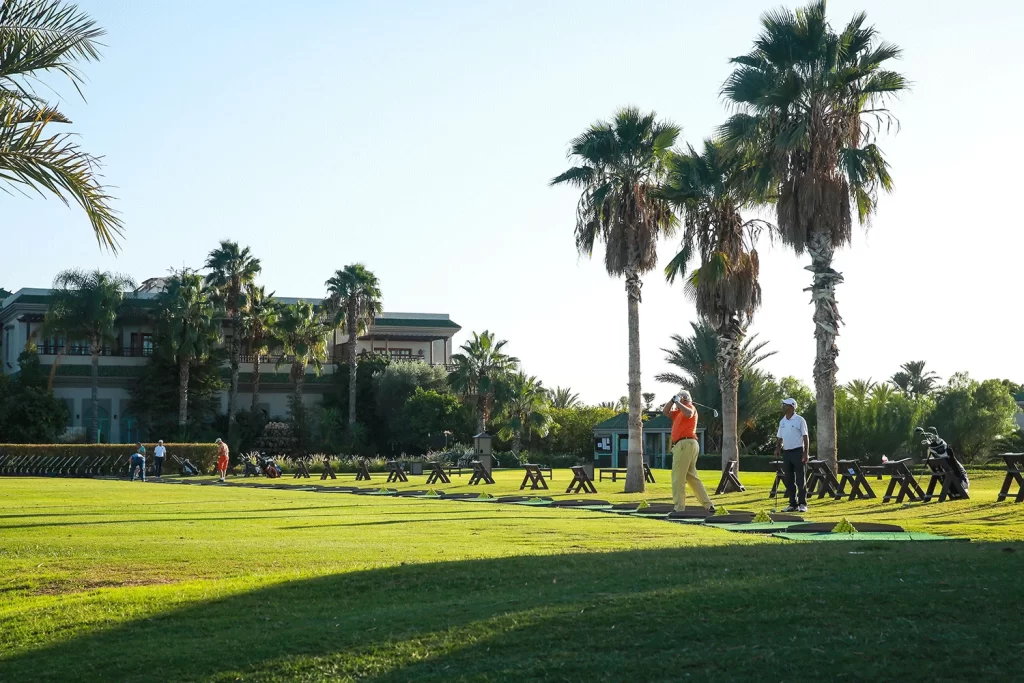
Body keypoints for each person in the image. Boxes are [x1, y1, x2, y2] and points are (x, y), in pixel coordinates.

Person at [663, 391, 715, 514]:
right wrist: (672, 400)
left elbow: (689, 413)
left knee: (678, 477)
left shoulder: (689, 407)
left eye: (680, 398)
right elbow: (665, 412)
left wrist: (678, 402)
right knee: (692, 477)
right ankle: (708, 505)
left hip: (685, 444)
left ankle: (679, 508)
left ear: (684, 399)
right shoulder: (677, 413)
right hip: (687, 445)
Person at [774, 398, 809, 512]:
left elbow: (805, 437)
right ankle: (792, 504)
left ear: (792, 407)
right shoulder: (782, 421)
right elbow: (780, 437)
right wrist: (778, 448)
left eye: (786, 405)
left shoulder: (800, 420)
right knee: (789, 479)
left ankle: (802, 503)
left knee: (800, 479)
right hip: (787, 452)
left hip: (798, 451)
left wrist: (805, 453)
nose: (783, 406)